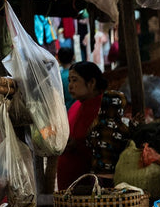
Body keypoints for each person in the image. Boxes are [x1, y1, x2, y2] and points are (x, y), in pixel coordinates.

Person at [56, 61, 132, 189]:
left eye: (75, 80)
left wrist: (79, 144)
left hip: (90, 183)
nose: (70, 86)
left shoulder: (105, 108)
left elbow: (108, 141)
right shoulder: (76, 106)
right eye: (69, 81)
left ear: (91, 83)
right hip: (70, 182)